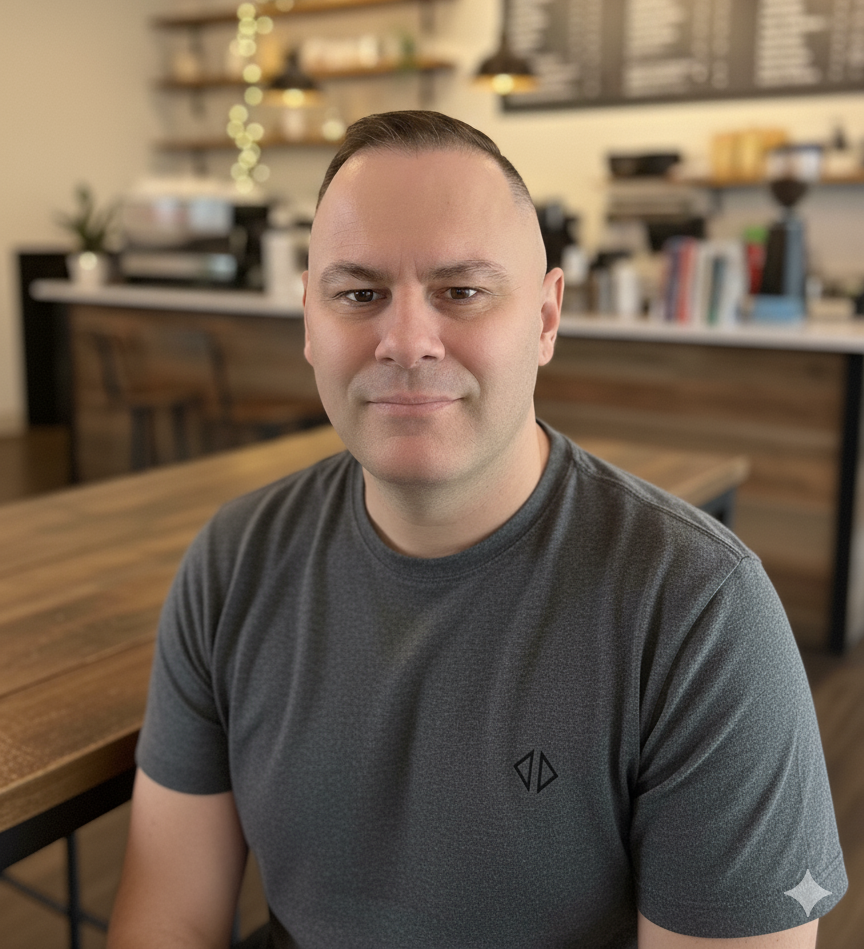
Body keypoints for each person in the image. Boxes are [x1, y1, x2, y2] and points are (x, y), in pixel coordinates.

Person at [108, 110, 846, 949]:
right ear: (309, 323)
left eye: (461, 292)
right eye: (358, 293)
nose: (407, 341)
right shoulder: (234, 561)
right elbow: (168, 917)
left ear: (543, 319)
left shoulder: (699, 613)